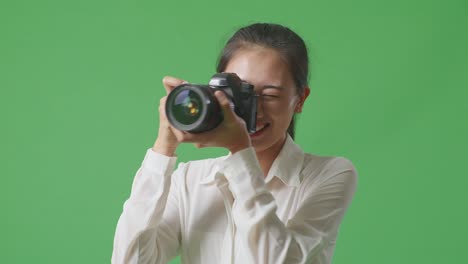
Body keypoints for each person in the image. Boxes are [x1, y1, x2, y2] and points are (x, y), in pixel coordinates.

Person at [112, 23, 358, 264]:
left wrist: (241, 150)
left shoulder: (329, 174)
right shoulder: (190, 180)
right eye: (239, 94)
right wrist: (163, 149)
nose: (254, 110)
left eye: (270, 95)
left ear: (300, 100)